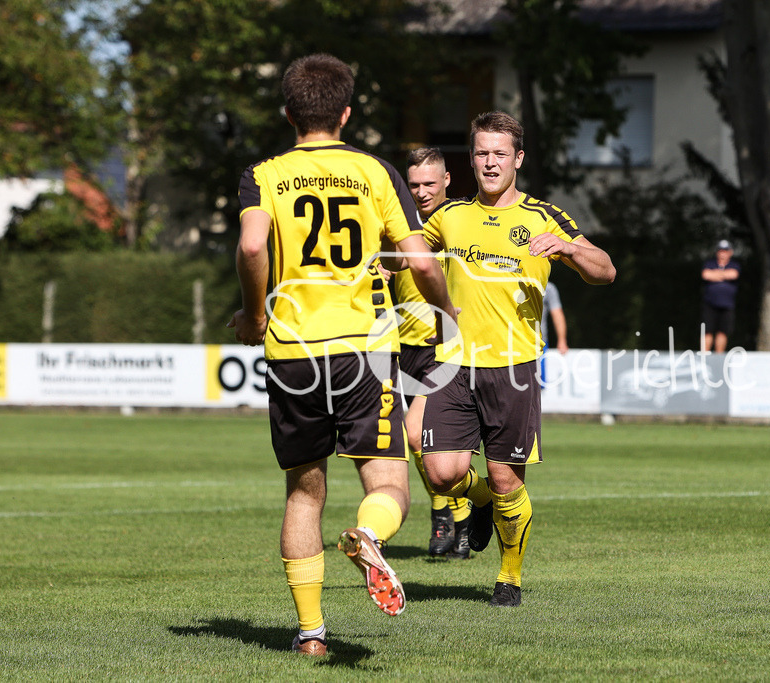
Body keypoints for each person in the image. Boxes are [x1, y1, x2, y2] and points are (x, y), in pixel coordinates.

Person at [228, 54, 455, 657]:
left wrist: (253, 316)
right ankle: (368, 535)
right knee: (389, 485)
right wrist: (448, 316)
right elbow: (422, 261)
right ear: (347, 112)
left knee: (304, 493)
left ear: (288, 113)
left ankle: (310, 635)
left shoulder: (265, 173)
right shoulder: (376, 171)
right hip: (362, 351)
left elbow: (253, 244)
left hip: (292, 351)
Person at [421, 111, 615, 607]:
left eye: (499, 153)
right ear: (471, 157)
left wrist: (569, 249)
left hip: (513, 367)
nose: (489, 162)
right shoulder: (449, 215)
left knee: (508, 478)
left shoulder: (545, 216)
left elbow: (606, 271)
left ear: (518, 159)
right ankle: (479, 499)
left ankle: (510, 576)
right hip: (452, 363)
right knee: (440, 472)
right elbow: (407, 256)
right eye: (481, 152)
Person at [397, 147, 471, 559]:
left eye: (430, 182)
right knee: (419, 442)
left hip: (444, 346)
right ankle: (451, 516)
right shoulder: (397, 224)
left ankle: (452, 515)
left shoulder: (458, 223)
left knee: (417, 433)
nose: (422, 191)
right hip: (406, 346)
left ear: (447, 181)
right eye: (414, 184)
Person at [701, 239, 740, 353]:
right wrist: (724, 275)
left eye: (725, 251)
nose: (723, 253)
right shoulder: (710, 263)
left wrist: (715, 275)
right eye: (721, 251)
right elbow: (706, 275)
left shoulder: (734, 265)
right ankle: (705, 355)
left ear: (730, 252)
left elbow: (734, 274)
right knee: (707, 330)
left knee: (723, 331)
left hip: (727, 304)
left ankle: (719, 356)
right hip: (710, 303)